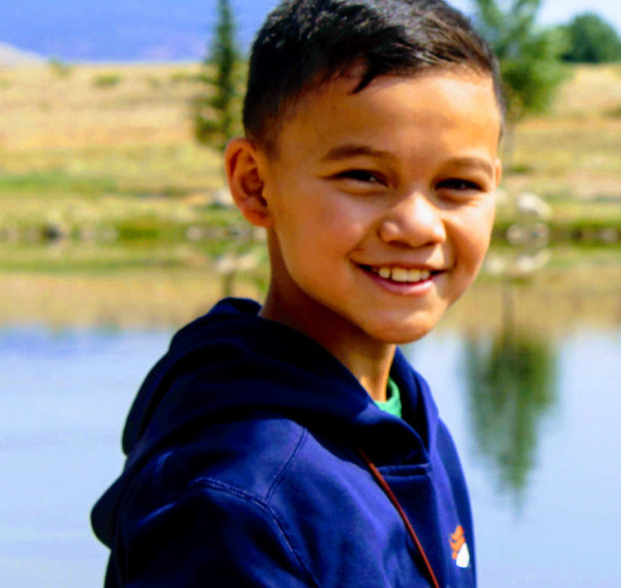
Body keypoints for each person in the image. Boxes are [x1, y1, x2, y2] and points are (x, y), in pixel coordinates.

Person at [90, 0, 502, 585]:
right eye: (364, 177)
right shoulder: (236, 501)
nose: (416, 226)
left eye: (457, 184)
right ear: (255, 184)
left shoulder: (402, 410)